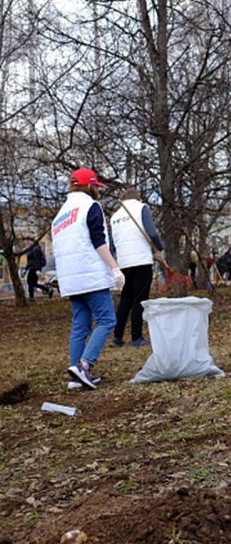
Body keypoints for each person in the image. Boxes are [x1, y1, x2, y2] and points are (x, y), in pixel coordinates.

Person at [51, 167, 125, 390]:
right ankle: (84, 365)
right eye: (96, 186)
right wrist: (114, 268)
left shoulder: (60, 215)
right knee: (107, 320)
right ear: (89, 186)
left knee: (80, 325)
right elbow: (98, 241)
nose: (98, 191)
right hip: (90, 274)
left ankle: (76, 374)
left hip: (70, 278)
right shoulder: (90, 206)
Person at [109, 187, 164, 347]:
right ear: (138, 198)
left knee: (126, 299)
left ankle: (117, 336)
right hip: (141, 259)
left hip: (124, 262)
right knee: (140, 299)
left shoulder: (115, 216)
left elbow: (112, 244)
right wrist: (159, 248)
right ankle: (136, 337)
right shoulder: (142, 208)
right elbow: (152, 233)